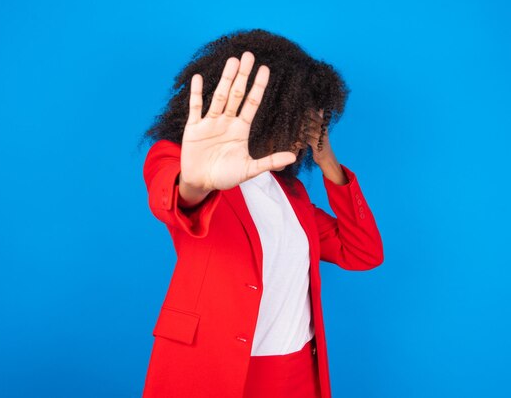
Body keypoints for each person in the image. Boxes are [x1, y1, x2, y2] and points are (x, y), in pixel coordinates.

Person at [140, 29, 384, 398]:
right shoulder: (181, 162)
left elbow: (362, 252)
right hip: (217, 367)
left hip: (297, 370)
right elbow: (175, 200)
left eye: (313, 118)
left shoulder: (290, 194)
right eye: (297, 114)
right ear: (272, 111)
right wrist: (196, 183)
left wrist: (326, 160)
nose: (305, 128)